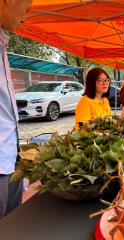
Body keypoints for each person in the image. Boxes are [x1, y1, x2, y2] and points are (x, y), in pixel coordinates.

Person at [0, 0, 32, 219]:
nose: (28, 10)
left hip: (10, 158)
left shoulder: (3, 45)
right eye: (27, 3)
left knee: (11, 225)